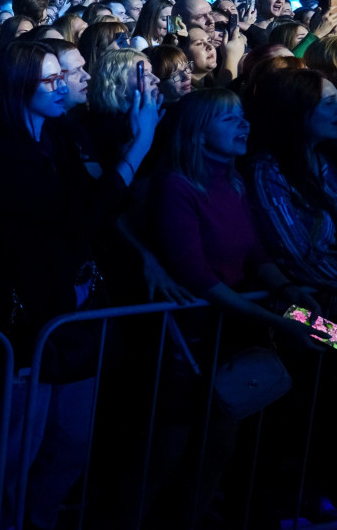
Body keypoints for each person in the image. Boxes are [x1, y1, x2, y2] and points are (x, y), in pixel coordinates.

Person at [0, 40, 158, 529]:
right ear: (16, 87)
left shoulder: (58, 137)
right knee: (12, 454)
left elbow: (96, 205)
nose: (60, 86)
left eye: (60, 78)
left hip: (75, 318)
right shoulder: (0, 155)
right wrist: (140, 145)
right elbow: (80, 216)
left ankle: (40, 520)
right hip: (29, 323)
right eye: (48, 80)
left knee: (72, 444)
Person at [143, 89, 323, 526]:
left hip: (242, 322)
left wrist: (289, 291)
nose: (244, 125)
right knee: (169, 455)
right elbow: (197, 277)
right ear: (198, 133)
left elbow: (255, 255)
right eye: (229, 120)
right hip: (194, 337)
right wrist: (278, 319)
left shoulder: (233, 178)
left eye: (243, 117)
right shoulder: (176, 185)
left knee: (331, 332)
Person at [245, 69, 337, 288]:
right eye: (329, 103)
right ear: (296, 112)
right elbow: (295, 256)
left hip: (327, 296)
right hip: (293, 307)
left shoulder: (323, 160)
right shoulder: (267, 170)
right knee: (320, 325)